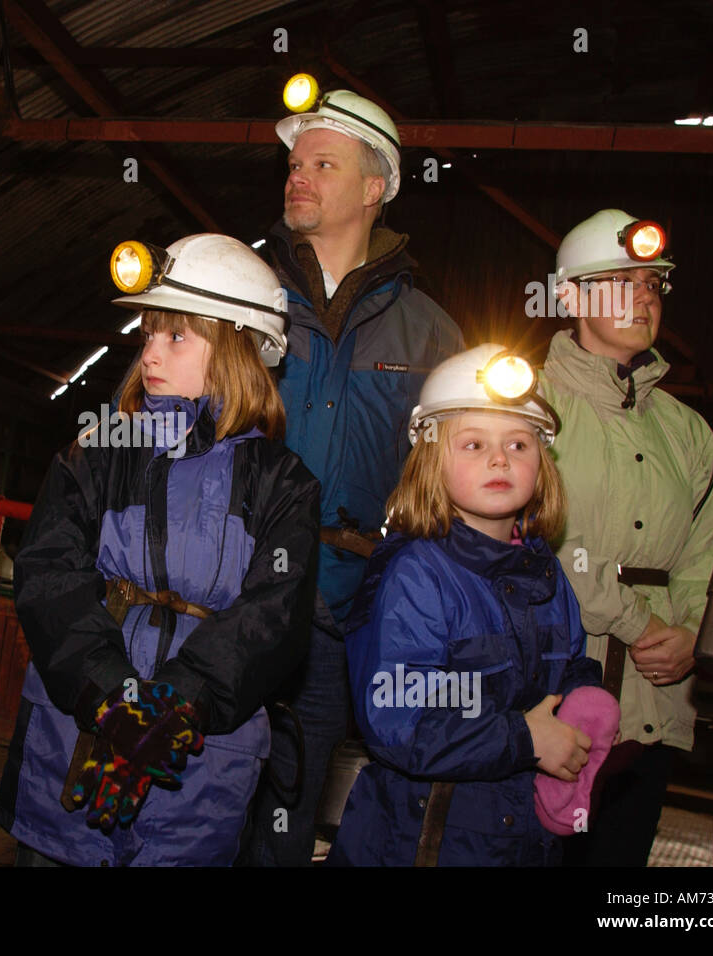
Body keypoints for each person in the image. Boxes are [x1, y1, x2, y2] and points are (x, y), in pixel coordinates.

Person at [0, 234, 321, 866]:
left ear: (238, 349)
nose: (149, 353)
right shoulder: (98, 451)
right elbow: (49, 574)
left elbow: (273, 616)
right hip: (78, 729)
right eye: (147, 334)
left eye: (176, 336)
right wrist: (109, 695)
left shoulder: (283, 483)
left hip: (202, 755)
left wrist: (177, 705)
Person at [243, 84, 465, 866]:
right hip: (228, 598)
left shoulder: (432, 333)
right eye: (294, 162)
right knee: (195, 795)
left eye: (322, 163)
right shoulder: (242, 297)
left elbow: (445, 492)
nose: (296, 175)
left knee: (288, 811)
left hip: (338, 616)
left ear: (375, 188)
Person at [330, 344, 602, 866]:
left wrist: (586, 697)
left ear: (543, 465)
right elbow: (397, 720)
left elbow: (570, 661)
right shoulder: (415, 573)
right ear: (431, 459)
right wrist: (524, 738)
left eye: (519, 444)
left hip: (522, 837)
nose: (500, 459)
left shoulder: (545, 570)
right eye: (474, 444)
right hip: (426, 841)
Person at [542, 209, 713, 866]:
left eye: (653, 285)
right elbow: (534, 538)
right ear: (570, 296)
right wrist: (637, 622)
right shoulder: (526, 406)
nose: (644, 297)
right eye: (621, 281)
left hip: (653, 701)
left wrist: (691, 631)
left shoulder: (688, 430)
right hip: (555, 690)